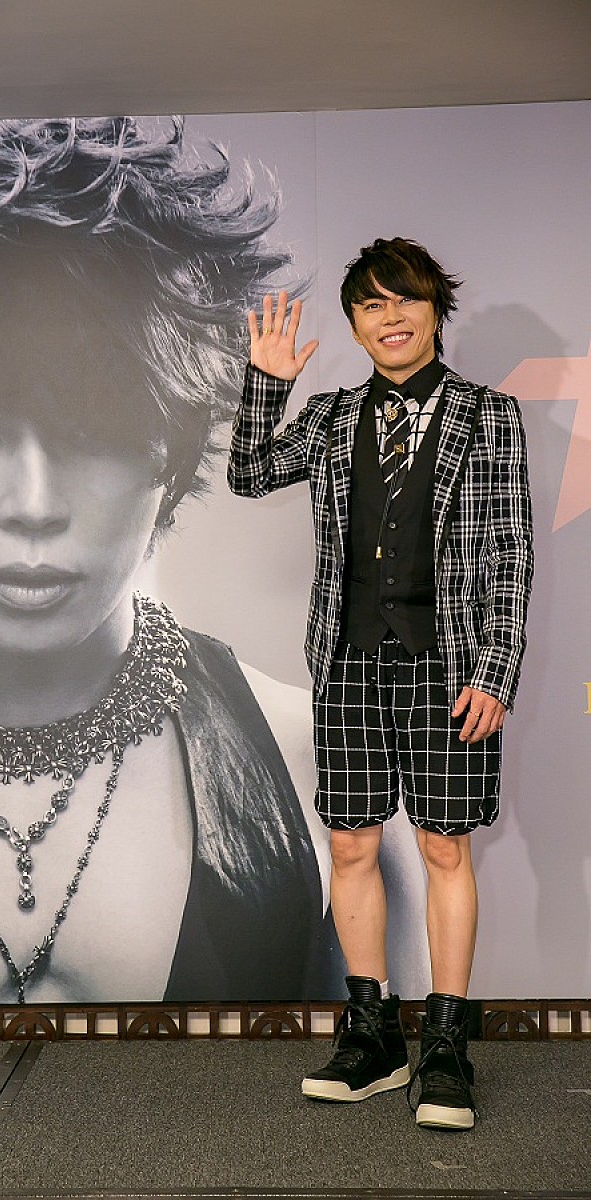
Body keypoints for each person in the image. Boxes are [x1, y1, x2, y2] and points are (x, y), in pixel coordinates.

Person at [0, 120, 430, 1011]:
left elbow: (396, 1085)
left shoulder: (312, 756)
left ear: (175, 454)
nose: (34, 505)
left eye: (95, 434)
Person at [228, 237, 534, 1129]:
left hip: (451, 668)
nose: (390, 317)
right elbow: (249, 473)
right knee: (352, 847)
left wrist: (497, 670)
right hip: (349, 663)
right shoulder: (330, 417)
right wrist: (267, 384)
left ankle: (445, 1048)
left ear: (435, 313)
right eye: (371, 304)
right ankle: (373, 1038)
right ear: (357, 326)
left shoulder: (490, 416)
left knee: (444, 849)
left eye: (406, 300)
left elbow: (512, 552)